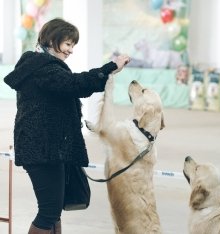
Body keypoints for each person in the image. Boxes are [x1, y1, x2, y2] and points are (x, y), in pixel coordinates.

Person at [3, 18, 130, 233]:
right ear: (51, 39)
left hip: (49, 148)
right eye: (68, 44)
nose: (70, 50)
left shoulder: (43, 65)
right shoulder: (41, 66)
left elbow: (68, 89)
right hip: (42, 149)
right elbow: (74, 84)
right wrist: (109, 68)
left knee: (53, 211)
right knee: (48, 212)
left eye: (73, 45)